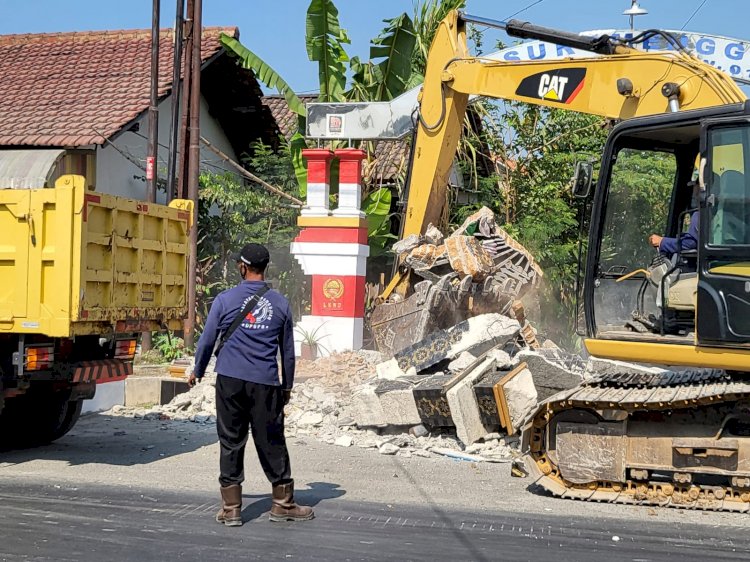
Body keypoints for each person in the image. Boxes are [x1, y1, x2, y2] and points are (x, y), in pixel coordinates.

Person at [190, 243, 313, 527]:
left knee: (231, 441)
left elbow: (207, 340)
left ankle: (231, 509)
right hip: (265, 382)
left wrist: (197, 370)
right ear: (265, 268)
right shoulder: (280, 303)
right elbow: (288, 352)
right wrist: (287, 386)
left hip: (230, 381)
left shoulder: (224, 299)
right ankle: (283, 504)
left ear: (242, 267)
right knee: (271, 440)